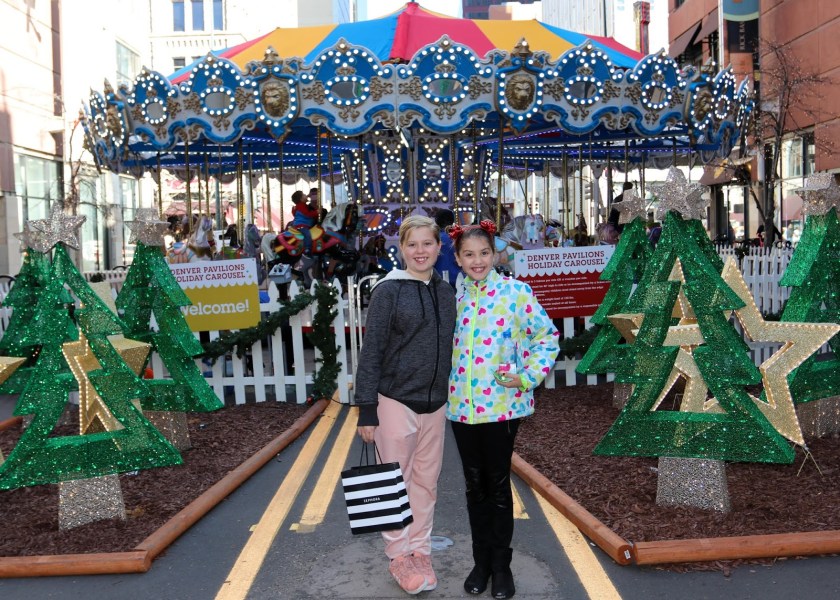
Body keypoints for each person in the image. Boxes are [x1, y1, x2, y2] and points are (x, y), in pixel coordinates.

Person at [447, 220, 560, 600]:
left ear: (495, 255)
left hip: (502, 409)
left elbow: (547, 337)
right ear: (458, 258)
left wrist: (527, 377)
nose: (477, 260)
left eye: (484, 253)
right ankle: (480, 562)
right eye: (469, 254)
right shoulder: (455, 298)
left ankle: (500, 566)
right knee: (474, 486)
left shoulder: (516, 293)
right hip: (462, 410)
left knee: (496, 485)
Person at [354, 215, 457, 596]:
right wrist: (367, 408)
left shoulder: (446, 291)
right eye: (412, 244)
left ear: (439, 247)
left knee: (426, 484)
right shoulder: (389, 291)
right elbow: (372, 350)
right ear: (401, 248)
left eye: (427, 243)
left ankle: (420, 551)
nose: (420, 251)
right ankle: (399, 556)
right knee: (393, 483)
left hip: (435, 403)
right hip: (395, 399)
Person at [434, 208, 460, 286]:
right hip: (459, 278)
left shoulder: (433, 239)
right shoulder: (459, 238)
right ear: (452, 221)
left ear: (436, 221)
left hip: (438, 279)